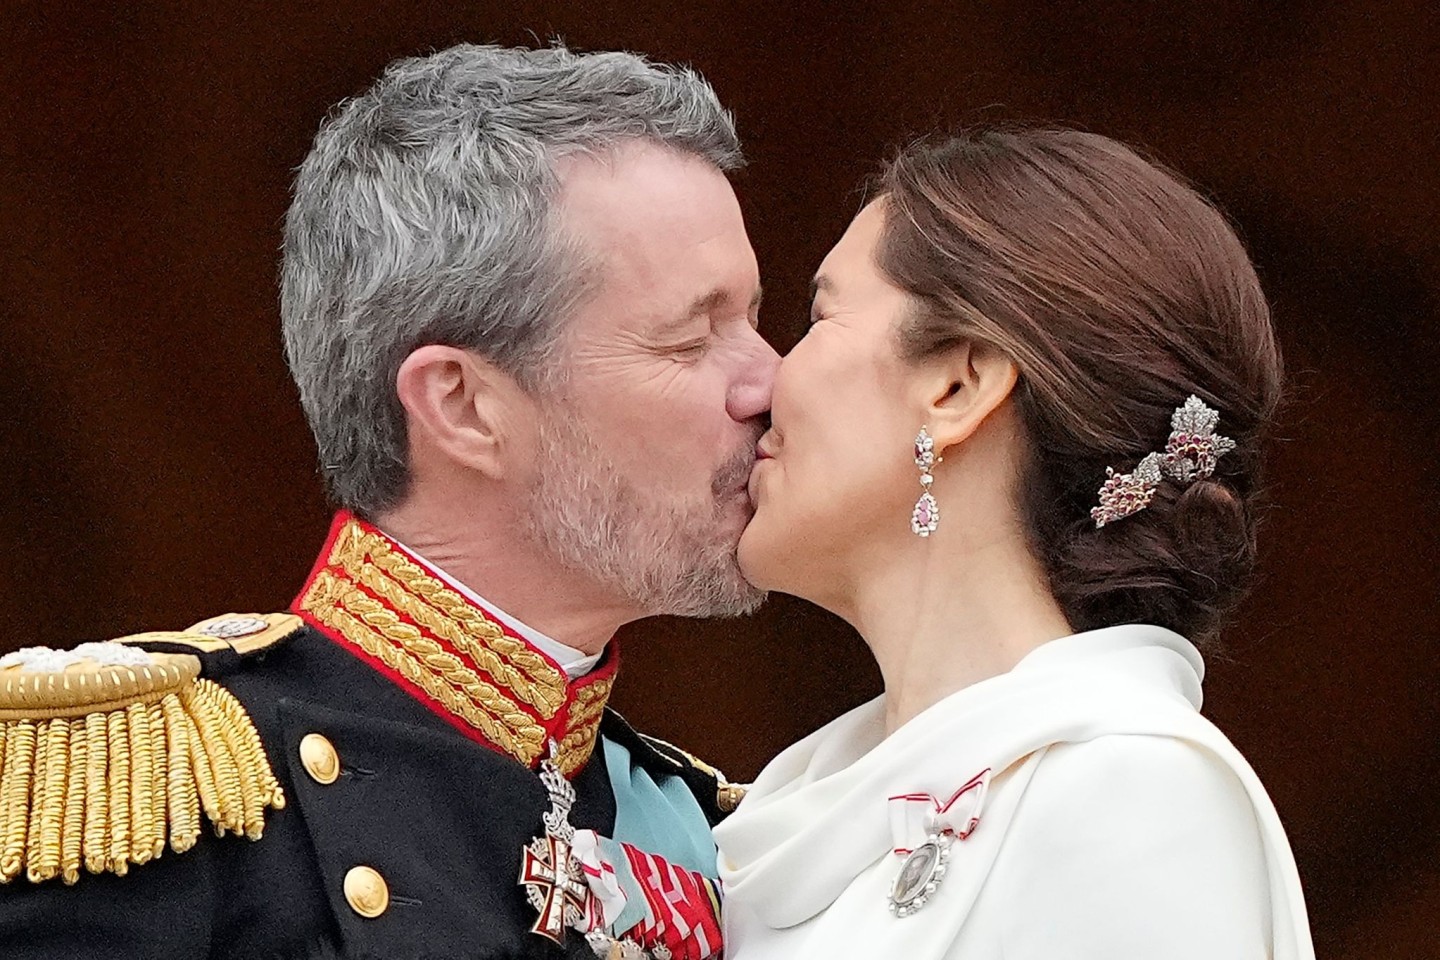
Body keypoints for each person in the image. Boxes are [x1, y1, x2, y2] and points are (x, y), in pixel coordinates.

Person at [0, 43, 776, 960]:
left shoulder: (710, 825)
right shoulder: (146, 791)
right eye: (692, 339)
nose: (771, 382)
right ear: (462, 405)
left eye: (756, 322)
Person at [714, 127, 1315, 959]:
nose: (761, 384)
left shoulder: (1133, 794)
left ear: (958, 386)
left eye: (818, 318)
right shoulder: (790, 807)